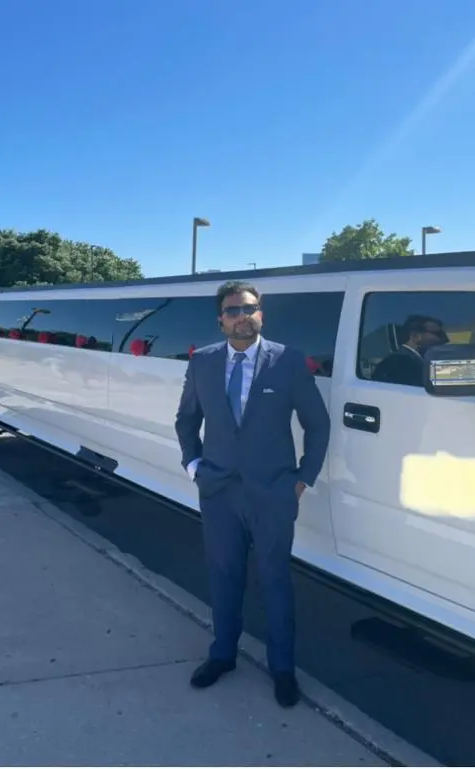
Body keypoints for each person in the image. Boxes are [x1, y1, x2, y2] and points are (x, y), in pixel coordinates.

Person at [174, 280, 331, 707]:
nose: (241, 316)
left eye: (248, 308)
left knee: (275, 580)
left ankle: (283, 669)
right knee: (224, 577)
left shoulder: (288, 361)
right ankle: (222, 655)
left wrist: (303, 479)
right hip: (219, 492)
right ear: (220, 319)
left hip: (273, 493)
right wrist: (193, 466)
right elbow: (187, 421)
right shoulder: (202, 362)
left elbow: (317, 425)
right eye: (232, 310)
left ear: (262, 313)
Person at [371, 314, 447, 386]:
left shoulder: (415, 360)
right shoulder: (400, 362)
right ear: (415, 336)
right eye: (438, 334)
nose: (444, 339)